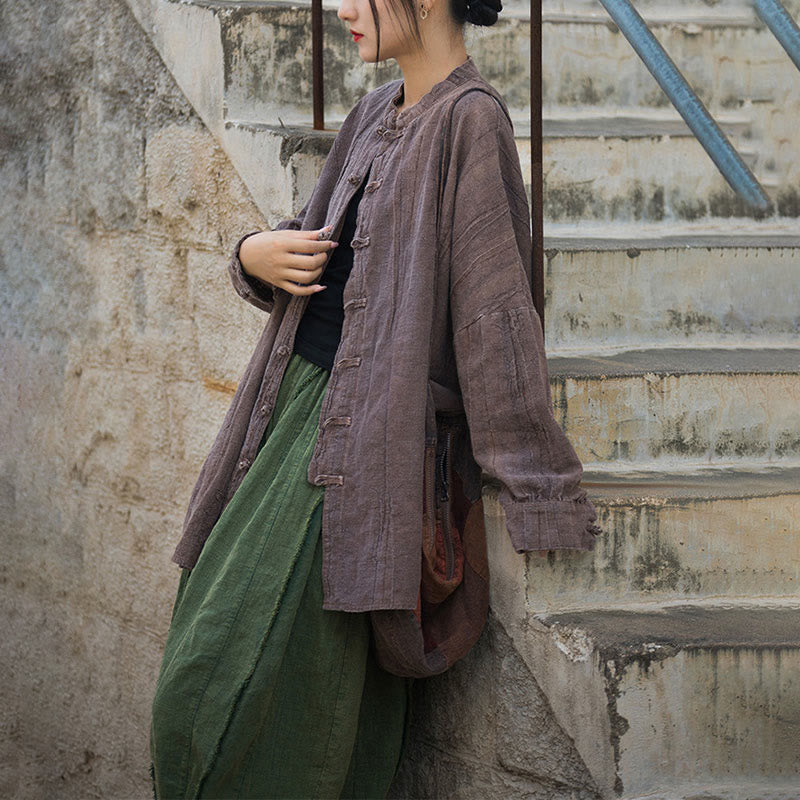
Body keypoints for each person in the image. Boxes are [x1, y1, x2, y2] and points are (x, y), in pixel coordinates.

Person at [149, 0, 602, 795]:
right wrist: (253, 253)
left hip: (362, 448)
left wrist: (541, 494)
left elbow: (497, 319)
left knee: (271, 701)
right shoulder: (369, 111)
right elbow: (334, 257)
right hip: (281, 418)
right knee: (199, 679)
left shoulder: (472, 123)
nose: (345, 10)